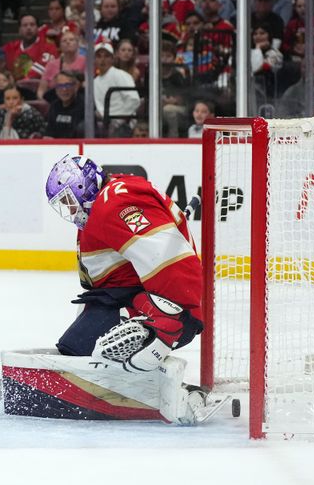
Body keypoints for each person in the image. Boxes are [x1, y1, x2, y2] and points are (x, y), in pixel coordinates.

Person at [43, 155, 206, 424]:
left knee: (84, 349)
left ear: (85, 188)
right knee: (76, 345)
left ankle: (158, 388)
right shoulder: (107, 202)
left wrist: (169, 324)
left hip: (168, 312)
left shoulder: (115, 202)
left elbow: (175, 263)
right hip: (134, 299)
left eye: (69, 201)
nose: (70, 211)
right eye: (63, 205)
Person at [93, 41, 140, 137]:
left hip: (124, 122)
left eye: (106, 56)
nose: (102, 60)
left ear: (112, 58)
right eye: (99, 56)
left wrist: (119, 119)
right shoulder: (95, 81)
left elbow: (134, 100)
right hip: (103, 121)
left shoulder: (121, 75)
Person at [3, 13, 58, 80]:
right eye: (25, 25)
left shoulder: (49, 47)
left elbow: (41, 72)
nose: (28, 28)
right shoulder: (10, 47)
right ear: (19, 30)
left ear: (38, 29)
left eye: (32, 25)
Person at [38, 30, 86, 100]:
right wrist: (44, 103)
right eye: (64, 41)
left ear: (77, 44)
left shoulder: (86, 62)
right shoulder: (51, 64)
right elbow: (41, 90)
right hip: (54, 101)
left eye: (71, 40)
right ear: (59, 47)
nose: (68, 42)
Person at [46, 70, 84, 138]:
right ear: (56, 89)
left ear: (75, 87)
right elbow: (49, 133)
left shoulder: (84, 107)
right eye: (60, 85)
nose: (64, 89)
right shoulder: (54, 106)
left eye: (68, 85)